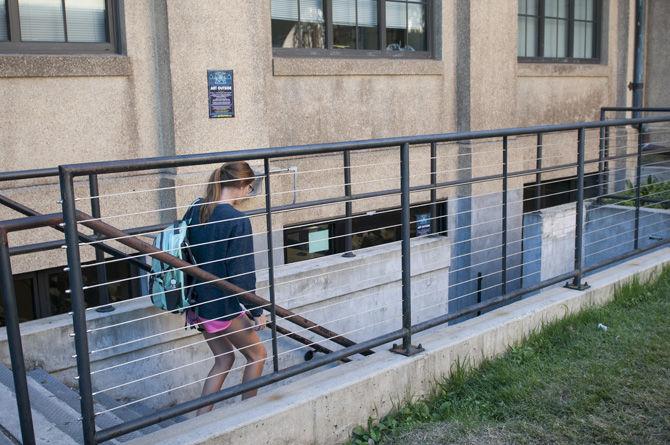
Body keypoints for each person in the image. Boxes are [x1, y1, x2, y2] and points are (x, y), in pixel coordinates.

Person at [185, 161, 267, 415]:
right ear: (243, 185)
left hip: (198, 302)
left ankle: (201, 419)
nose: (247, 194)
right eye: (249, 188)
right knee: (257, 355)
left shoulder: (196, 209)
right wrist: (256, 311)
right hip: (221, 306)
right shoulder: (237, 221)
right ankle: (247, 415)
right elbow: (241, 275)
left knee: (224, 358)